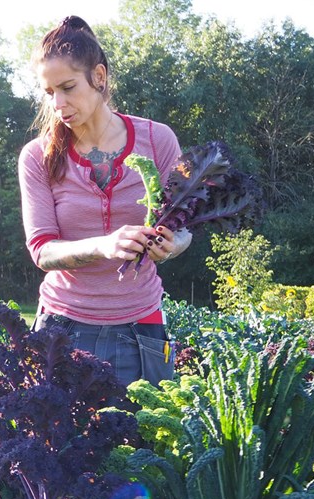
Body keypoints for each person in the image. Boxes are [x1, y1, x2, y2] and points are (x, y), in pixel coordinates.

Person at [18, 15, 192, 387]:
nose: (58, 104)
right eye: (49, 93)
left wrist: (174, 244)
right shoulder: (37, 156)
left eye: (67, 87)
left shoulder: (158, 140)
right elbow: (42, 252)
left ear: (99, 76)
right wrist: (105, 245)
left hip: (140, 328)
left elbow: (184, 225)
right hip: (62, 327)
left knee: (145, 442)